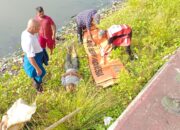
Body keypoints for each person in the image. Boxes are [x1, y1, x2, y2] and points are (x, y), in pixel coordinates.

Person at [21, 18, 46, 92]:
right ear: (33, 28)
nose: (39, 29)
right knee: (37, 76)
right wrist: (37, 68)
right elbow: (30, 57)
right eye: (38, 28)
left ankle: (40, 85)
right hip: (33, 59)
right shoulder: (29, 40)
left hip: (37, 56)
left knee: (40, 73)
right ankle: (39, 90)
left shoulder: (26, 32)